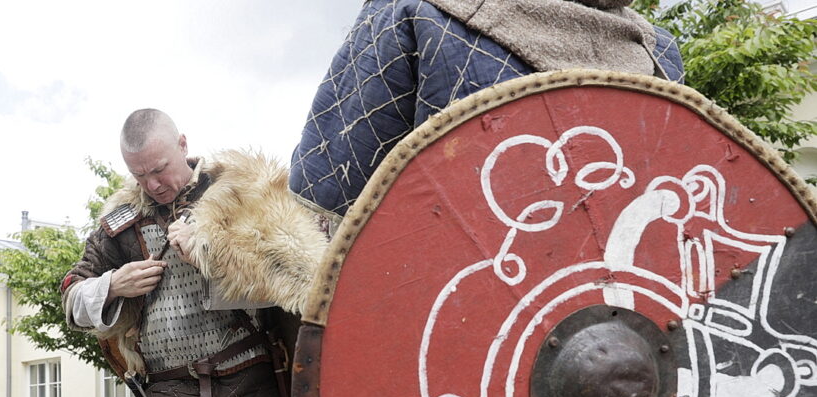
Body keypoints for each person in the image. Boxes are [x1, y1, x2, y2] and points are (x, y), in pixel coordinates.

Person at [62, 109, 329, 397]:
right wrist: (112, 286)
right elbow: (71, 296)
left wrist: (211, 251)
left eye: (160, 169)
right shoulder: (121, 226)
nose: (153, 184)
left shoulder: (241, 193)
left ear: (182, 145)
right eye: (140, 174)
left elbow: (301, 276)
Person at [289, 0, 685, 218]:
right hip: (635, 337)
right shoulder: (659, 54)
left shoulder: (411, 10)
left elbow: (322, 208)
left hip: (445, 324)